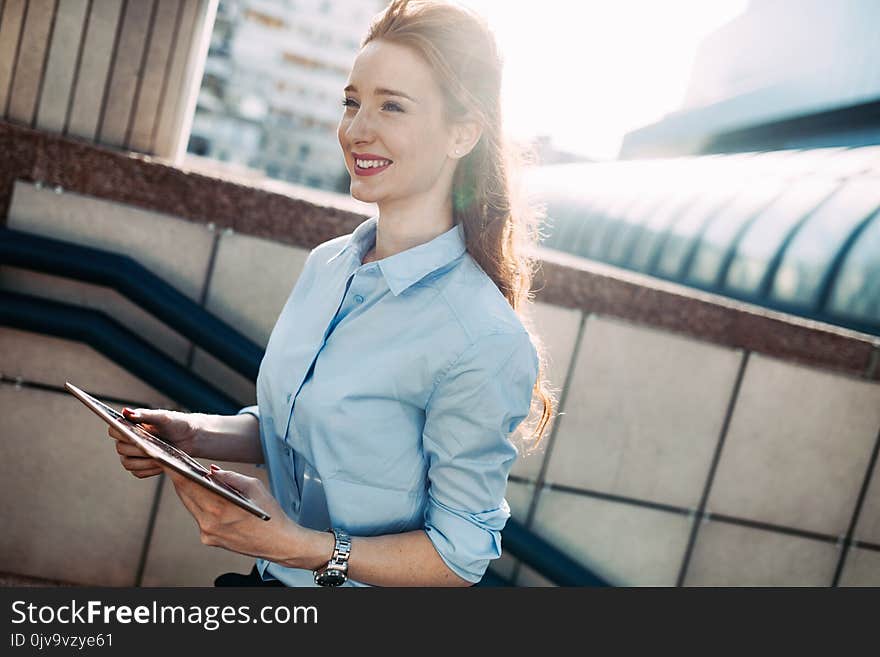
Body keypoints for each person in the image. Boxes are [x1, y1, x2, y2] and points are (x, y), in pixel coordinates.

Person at [108, 0, 555, 587]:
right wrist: (192, 434)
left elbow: (460, 555)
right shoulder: (329, 266)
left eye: (391, 105)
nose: (356, 129)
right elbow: (299, 428)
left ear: (463, 132)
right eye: (352, 102)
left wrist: (303, 547)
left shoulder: (484, 338)